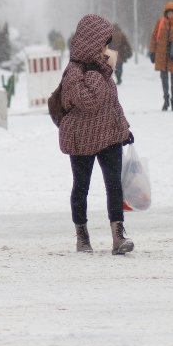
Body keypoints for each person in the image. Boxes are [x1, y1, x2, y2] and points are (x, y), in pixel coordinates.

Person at [59, 14, 135, 256]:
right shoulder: (74, 71)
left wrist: (124, 129)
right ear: (92, 41)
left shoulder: (101, 68)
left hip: (109, 137)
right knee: (81, 187)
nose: (106, 48)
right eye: (103, 42)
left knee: (114, 186)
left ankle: (118, 235)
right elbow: (88, 101)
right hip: (81, 139)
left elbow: (112, 103)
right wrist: (98, 72)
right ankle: (82, 236)